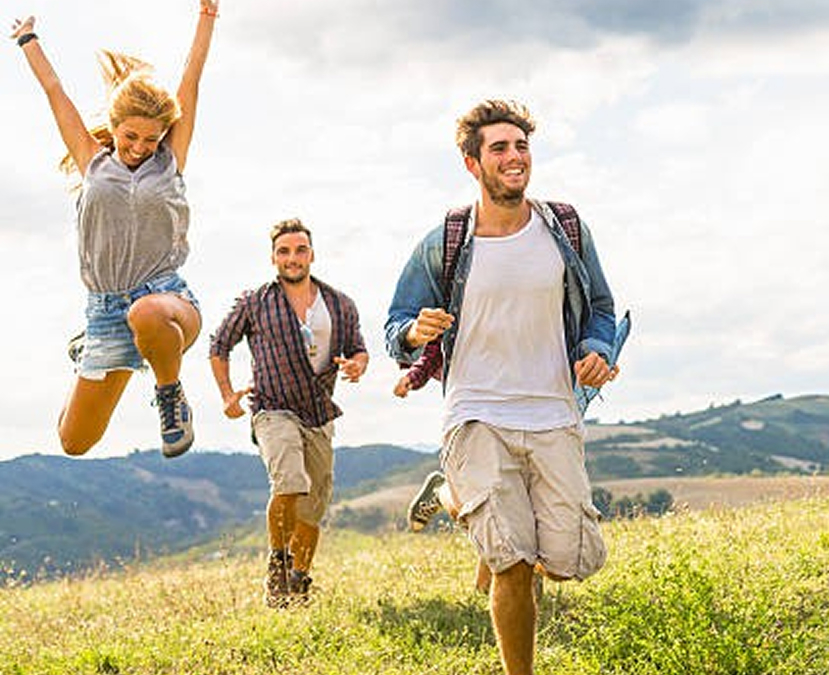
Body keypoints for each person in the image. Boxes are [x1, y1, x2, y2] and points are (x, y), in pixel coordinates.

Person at [385, 100, 619, 675]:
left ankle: (448, 494)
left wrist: (597, 350)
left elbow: (603, 309)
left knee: (567, 561)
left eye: (521, 146)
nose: (514, 157)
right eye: (500, 148)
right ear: (472, 163)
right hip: (476, 415)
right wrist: (414, 332)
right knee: (512, 562)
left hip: (554, 413)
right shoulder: (444, 240)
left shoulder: (564, 228)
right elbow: (395, 324)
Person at [10, 3, 218, 458]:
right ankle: (88, 348)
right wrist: (28, 40)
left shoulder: (170, 161)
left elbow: (192, 78)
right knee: (73, 441)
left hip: (168, 303)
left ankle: (170, 398)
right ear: (115, 126)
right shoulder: (92, 161)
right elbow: (54, 91)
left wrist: (207, 15)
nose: (142, 148)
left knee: (144, 312)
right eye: (131, 137)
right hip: (105, 312)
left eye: (152, 139)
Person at [209, 218, 369, 608]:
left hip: (318, 412)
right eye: (284, 251)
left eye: (300, 250)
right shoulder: (255, 301)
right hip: (272, 408)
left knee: (313, 507)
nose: (292, 258)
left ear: (311, 254)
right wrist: (228, 395)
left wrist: (357, 365)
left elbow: (360, 349)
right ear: (273, 258)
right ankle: (277, 569)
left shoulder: (339, 303)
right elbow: (219, 346)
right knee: (290, 483)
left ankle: (299, 582)